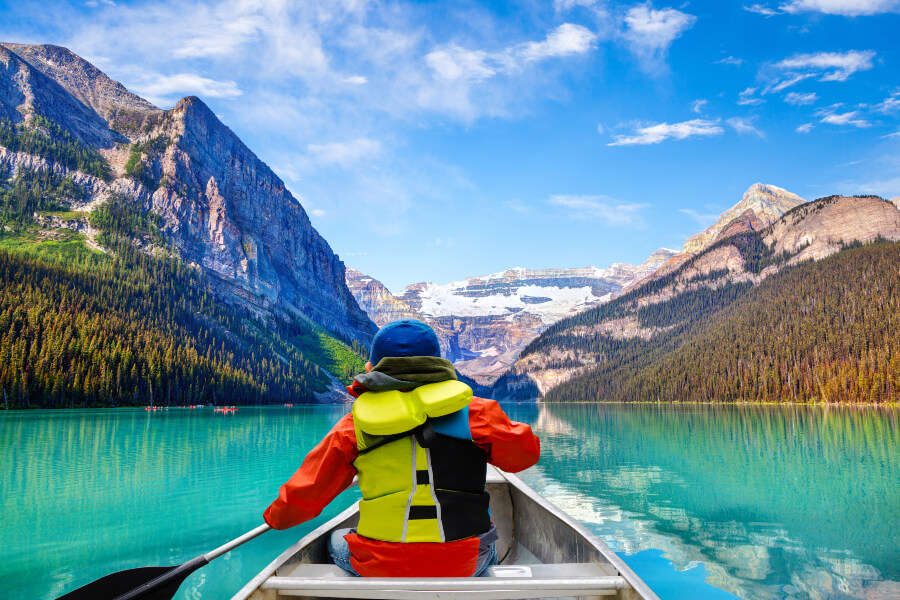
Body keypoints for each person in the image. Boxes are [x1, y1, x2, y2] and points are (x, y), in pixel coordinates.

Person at [263, 319, 540, 577]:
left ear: (372, 369)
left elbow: (303, 497)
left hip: (379, 563)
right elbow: (525, 456)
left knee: (336, 538)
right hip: (465, 562)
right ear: (439, 366)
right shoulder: (477, 413)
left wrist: (275, 517)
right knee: (489, 543)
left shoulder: (352, 426)